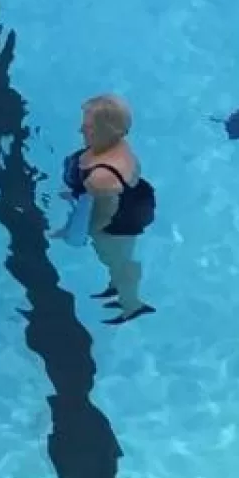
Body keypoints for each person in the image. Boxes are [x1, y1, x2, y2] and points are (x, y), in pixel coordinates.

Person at [67, 94, 155, 324]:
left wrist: (87, 232)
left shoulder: (102, 176)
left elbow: (103, 216)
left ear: (104, 131)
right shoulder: (119, 146)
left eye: (88, 127)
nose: (80, 130)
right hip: (134, 205)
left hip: (118, 220)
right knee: (121, 258)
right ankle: (117, 287)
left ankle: (131, 305)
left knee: (115, 258)